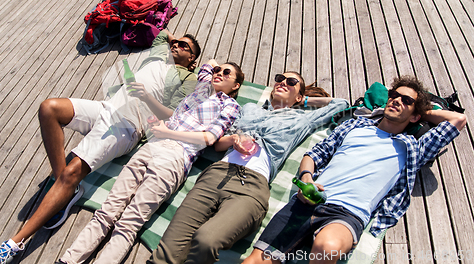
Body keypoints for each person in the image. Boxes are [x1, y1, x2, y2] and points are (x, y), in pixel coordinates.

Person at [0, 30, 201, 264]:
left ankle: (11, 246)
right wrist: (175, 40)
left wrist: (147, 98)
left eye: (185, 47)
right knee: (49, 108)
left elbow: (174, 114)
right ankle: (64, 184)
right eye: (177, 43)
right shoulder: (157, 56)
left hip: (127, 125)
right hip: (105, 108)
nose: (177, 46)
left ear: (192, 60)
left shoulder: (185, 77)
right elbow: (163, 33)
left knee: (72, 171)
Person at [243, 75, 467, 264]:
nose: (396, 100)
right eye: (394, 96)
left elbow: (458, 119)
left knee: (324, 248)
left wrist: (419, 111)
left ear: (416, 115)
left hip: (346, 214)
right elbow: (314, 155)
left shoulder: (413, 148)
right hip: (308, 201)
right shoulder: (355, 125)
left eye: (405, 100)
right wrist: (306, 178)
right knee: (255, 261)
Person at [55, 60, 245, 264]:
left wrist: (169, 133)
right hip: (152, 147)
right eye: (218, 71)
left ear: (236, 86)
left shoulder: (230, 105)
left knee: (129, 222)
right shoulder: (202, 89)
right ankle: (68, 260)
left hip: (176, 155)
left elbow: (209, 138)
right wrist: (214, 67)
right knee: (107, 210)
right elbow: (208, 66)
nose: (219, 73)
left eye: (227, 73)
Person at [149, 72, 350, 264]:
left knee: (206, 241)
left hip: (251, 187)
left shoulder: (302, 119)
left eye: (291, 82)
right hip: (216, 175)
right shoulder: (250, 109)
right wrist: (234, 139)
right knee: (168, 249)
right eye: (280, 78)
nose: (282, 82)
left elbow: (340, 104)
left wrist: (303, 101)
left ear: (299, 95)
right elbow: (218, 145)